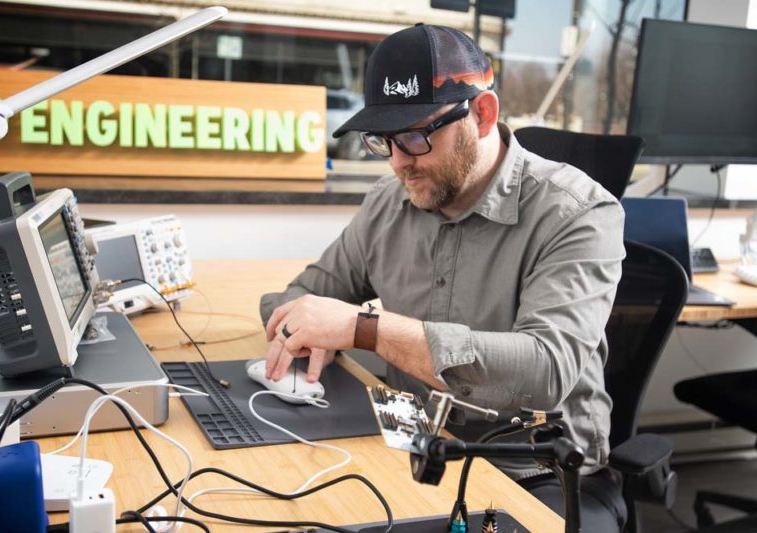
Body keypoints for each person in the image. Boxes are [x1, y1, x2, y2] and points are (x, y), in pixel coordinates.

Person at [259, 24, 627, 531]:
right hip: (411, 442)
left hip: (536, 469)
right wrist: (306, 333)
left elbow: (544, 373)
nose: (398, 164)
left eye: (414, 136)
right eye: (382, 141)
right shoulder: (388, 204)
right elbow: (299, 298)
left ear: (482, 115)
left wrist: (365, 329)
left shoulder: (578, 213)